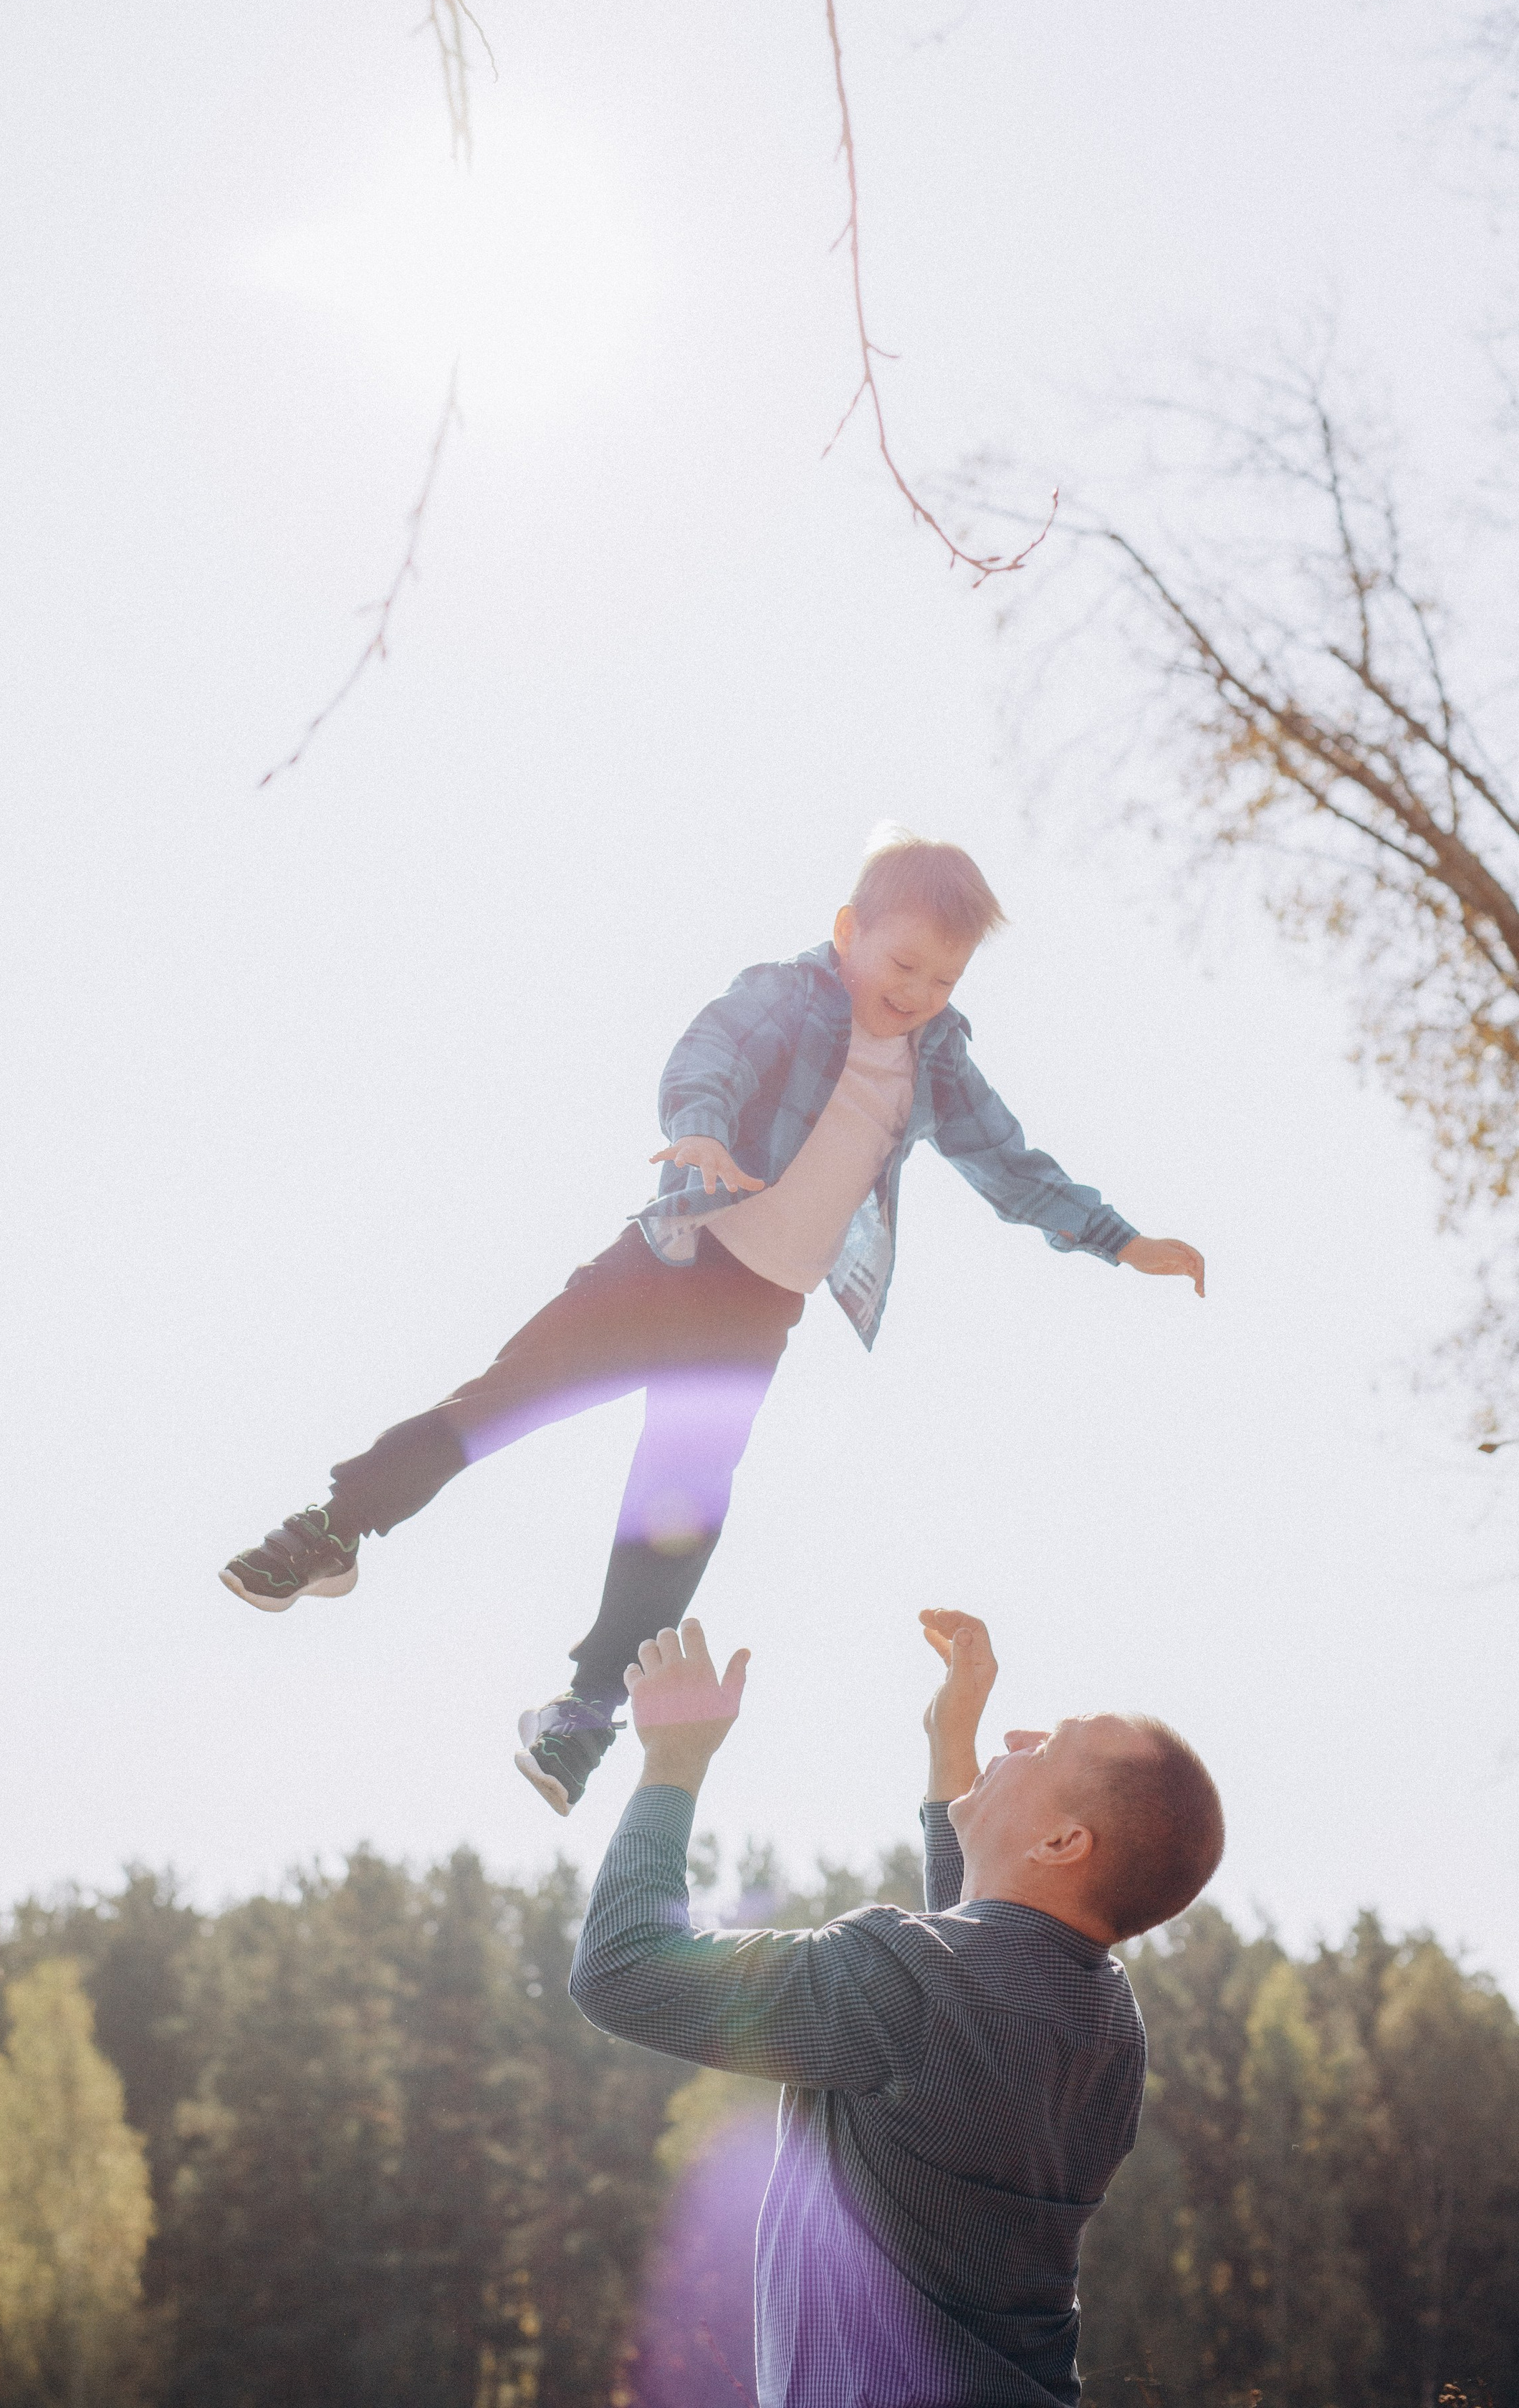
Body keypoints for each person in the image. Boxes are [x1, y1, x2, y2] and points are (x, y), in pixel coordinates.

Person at [219, 828, 1205, 1814]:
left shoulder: (937, 1065)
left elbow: (1011, 1167)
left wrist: (1122, 1240)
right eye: (903, 964)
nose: (916, 994)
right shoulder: (788, 993)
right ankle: (334, 1528)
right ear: (847, 931)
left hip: (755, 1315)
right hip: (667, 1265)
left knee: (679, 1510)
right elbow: (712, 1055)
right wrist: (698, 1125)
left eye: (943, 980)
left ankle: (584, 1714)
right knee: (504, 1401)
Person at [570, 1613, 1225, 2408]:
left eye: (1048, 1744)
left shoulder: (912, 1984)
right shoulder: (1109, 2029)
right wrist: (951, 1740)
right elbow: (972, 1958)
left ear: (1061, 1844)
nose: (1016, 1736)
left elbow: (622, 1968)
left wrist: (674, 1760)